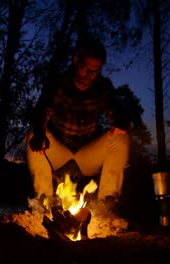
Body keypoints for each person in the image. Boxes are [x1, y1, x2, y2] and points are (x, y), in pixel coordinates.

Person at [25, 37, 131, 215]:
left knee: (120, 138)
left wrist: (120, 121)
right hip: (59, 152)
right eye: (85, 68)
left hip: (86, 156)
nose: (89, 75)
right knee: (33, 135)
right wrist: (40, 132)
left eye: (95, 71)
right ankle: (44, 203)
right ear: (76, 61)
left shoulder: (103, 88)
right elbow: (42, 112)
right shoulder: (59, 83)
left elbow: (116, 111)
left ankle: (106, 205)